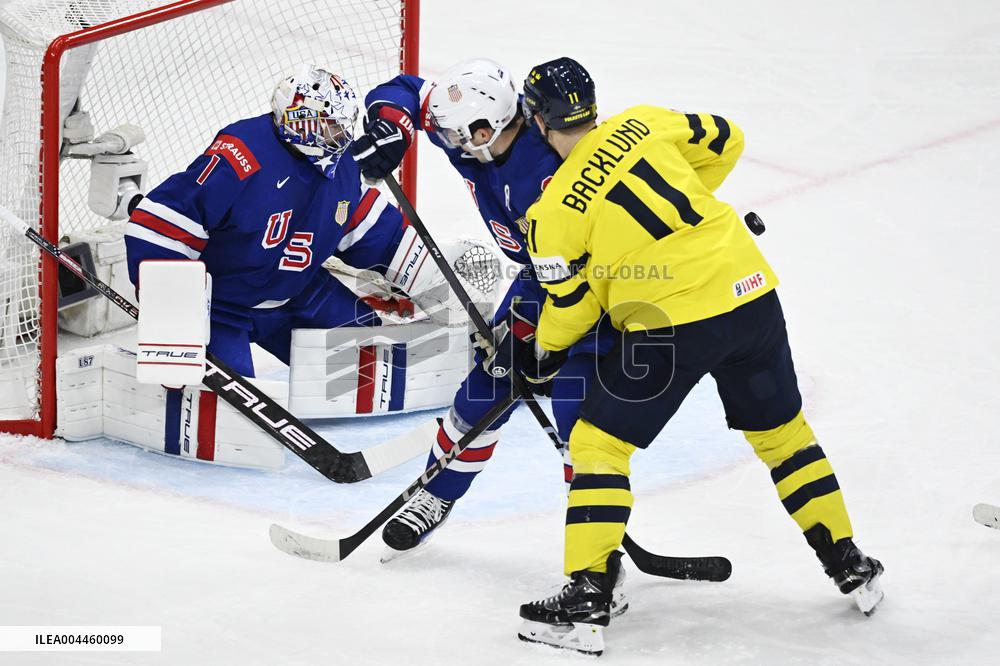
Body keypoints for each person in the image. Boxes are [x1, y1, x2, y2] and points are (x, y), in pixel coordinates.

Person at [504, 57, 884, 656]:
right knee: (784, 436)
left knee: (600, 445)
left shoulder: (550, 216)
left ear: (535, 119)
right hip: (750, 294)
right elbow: (728, 138)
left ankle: (586, 596)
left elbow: (574, 308)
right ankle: (848, 560)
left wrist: (539, 350)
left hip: (669, 324)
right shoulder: (643, 122)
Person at [351, 59, 617, 561]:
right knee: (483, 392)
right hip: (541, 281)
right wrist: (390, 125)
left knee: (579, 420)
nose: (446, 143)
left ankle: (596, 545)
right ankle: (436, 493)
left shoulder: (552, 172)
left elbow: (596, 265)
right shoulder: (473, 128)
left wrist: (550, 343)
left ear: (485, 126)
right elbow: (411, 89)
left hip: (595, 291)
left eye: (455, 136)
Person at [124, 64, 454, 379]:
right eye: (331, 126)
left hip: (299, 295)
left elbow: (370, 232)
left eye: (343, 125)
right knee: (232, 398)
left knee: (370, 359)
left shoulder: (341, 167)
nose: (341, 136)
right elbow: (159, 226)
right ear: (300, 121)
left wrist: (438, 286)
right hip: (224, 308)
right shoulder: (240, 156)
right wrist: (172, 322)